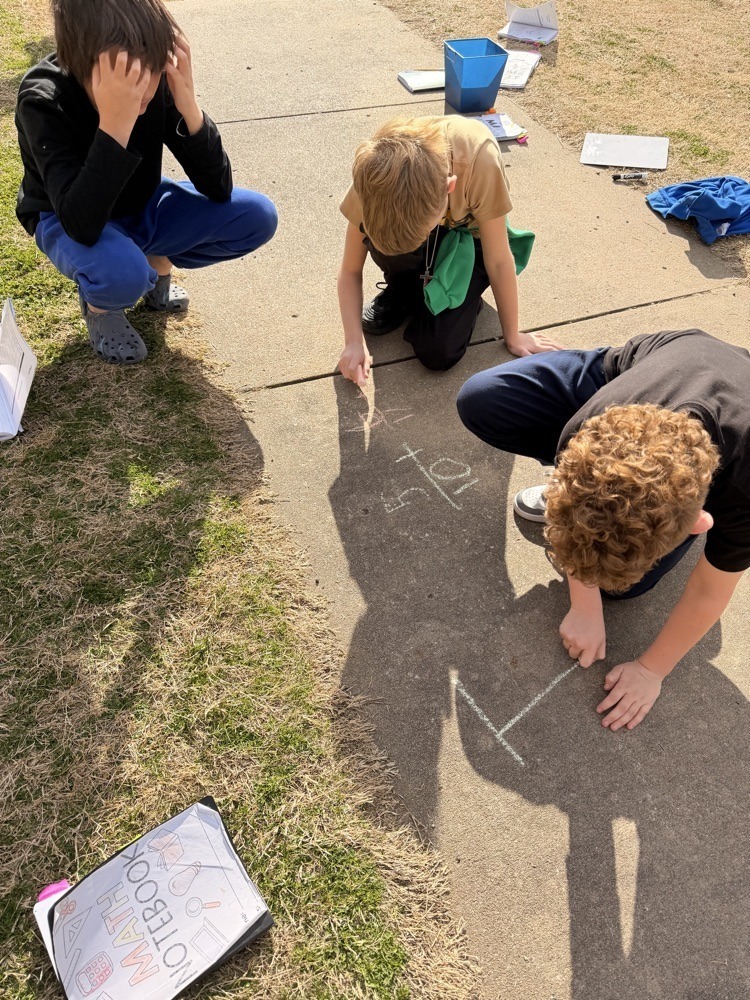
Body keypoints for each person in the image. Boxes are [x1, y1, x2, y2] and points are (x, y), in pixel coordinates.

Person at [457, 329, 749, 730]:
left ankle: (638, 525)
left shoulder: (743, 493)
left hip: (728, 420)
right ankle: (594, 512)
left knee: (624, 584)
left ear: (702, 520)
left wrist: (651, 671)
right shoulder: (590, 430)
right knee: (481, 399)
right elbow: (574, 463)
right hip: (649, 364)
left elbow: (709, 590)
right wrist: (583, 603)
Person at [15, 0, 278, 365]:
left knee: (257, 216)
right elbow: (81, 225)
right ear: (81, 65)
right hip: (64, 217)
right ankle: (101, 307)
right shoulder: (44, 99)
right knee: (122, 273)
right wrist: (115, 124)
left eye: (153, 73)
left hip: (141, 202)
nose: (144, 90)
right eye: (127, 82)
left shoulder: (150, 78)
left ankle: (156, 259)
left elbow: (217, 188)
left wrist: (189, 106)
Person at [336, 116, 562, 386]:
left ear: (449, 187)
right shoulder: (374, 176)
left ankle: (462, 295)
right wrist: (352, 342)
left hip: (471, 240)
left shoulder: (480, 160)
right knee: (388, 243)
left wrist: (512, 335)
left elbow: (499, 259)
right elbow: (350, 269)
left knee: (438, 352)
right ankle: (405, 290)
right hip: (419, 227)